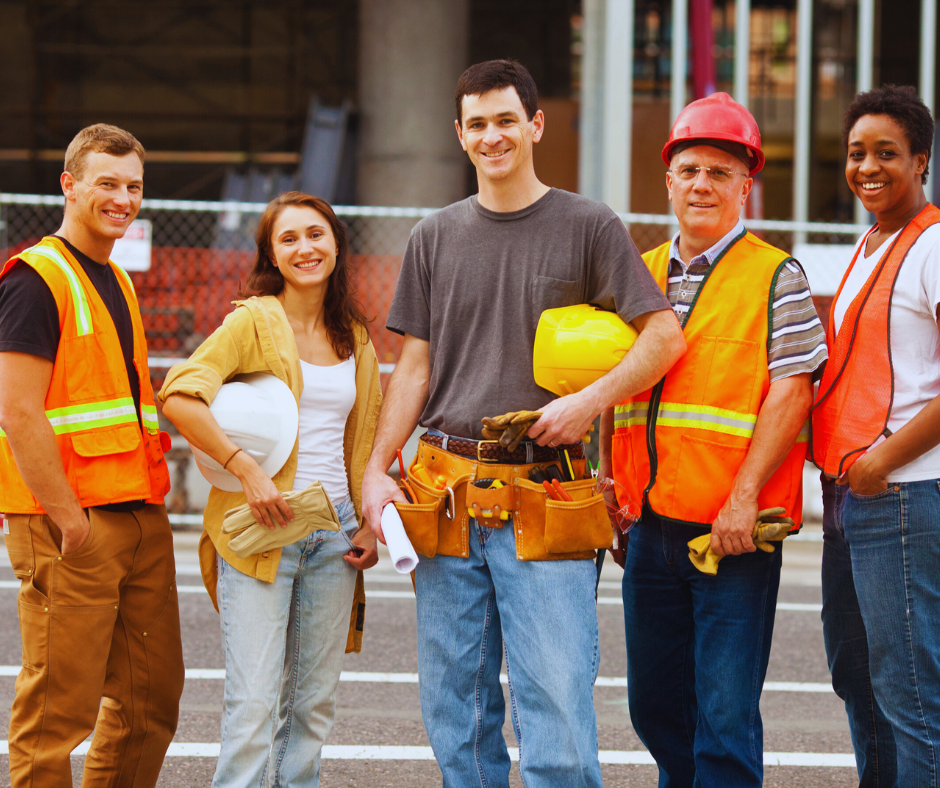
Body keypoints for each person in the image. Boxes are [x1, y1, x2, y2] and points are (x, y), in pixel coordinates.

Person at [361, 59, 685, 788]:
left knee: (558, 714)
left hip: (546, 497)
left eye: (506, 119)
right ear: (459, 135)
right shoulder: (433, 237)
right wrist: (377, 468)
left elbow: (663, 337)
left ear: (535, 125)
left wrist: (586, 402)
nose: (492, 135)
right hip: (445, 495)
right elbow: (413, 369)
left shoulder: (588, 225)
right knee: (456, 714)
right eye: (477, 123)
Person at [601, 92, 827, 788]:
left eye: (720, 172)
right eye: (690, 169)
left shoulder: (775, 276)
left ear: (744, 187)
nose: (702, 184)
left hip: (732, 533)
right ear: (669, 180)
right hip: (648, 527)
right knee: (655, 705)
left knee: (725, 717)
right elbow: (614, 388)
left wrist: (743, 498)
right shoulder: (637, 270)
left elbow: (793, 392)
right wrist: (610, 488)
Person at [159, 191, 380, 788]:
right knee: (254, 704)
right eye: (289, 239)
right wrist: (246, 468)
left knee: (313, 705)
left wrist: (366, 519)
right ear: (271, 256)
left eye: (316, 234)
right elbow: (179, 393)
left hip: (334, 532)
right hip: (263, 530)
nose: (305, 248)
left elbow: (360, 441)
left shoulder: (355, 337)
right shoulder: (253, 320)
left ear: (336, 243)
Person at [0, 124, 184, 787]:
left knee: (151, 700)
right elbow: (17, 411)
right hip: (70, 524)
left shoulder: (115, 279)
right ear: (69, 185)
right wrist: (68, 521)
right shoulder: (36, 279)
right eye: (107, 183)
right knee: (57, 712)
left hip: (137, 513)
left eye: (133, 187)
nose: (123, 198)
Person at [811, 84, 940, 788]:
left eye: (887, 153)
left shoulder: (934, 244)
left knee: (911, 692)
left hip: (901, 493)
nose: (868, 167)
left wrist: (881, 461)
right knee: (857, 678)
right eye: (857, 152)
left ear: (921, 159)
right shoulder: (868, 245)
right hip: (852, 496)